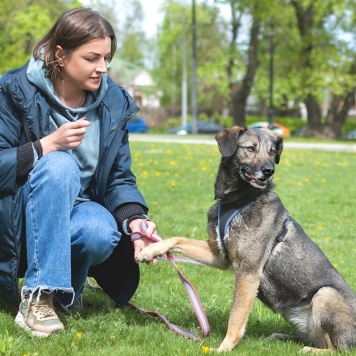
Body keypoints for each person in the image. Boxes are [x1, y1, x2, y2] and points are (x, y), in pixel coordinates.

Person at [0, 7, 158, 337]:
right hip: (20, 218)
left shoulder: (113, 102)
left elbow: (118, 177)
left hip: (79, 208)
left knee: (101, 231)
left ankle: (64, 293)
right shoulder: (13, 91)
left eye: (107, 58)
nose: (103, 67)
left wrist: (135, 219)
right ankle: (37, 297)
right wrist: (46, 146)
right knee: (59, 164)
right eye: (92, 58)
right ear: (60, 54)